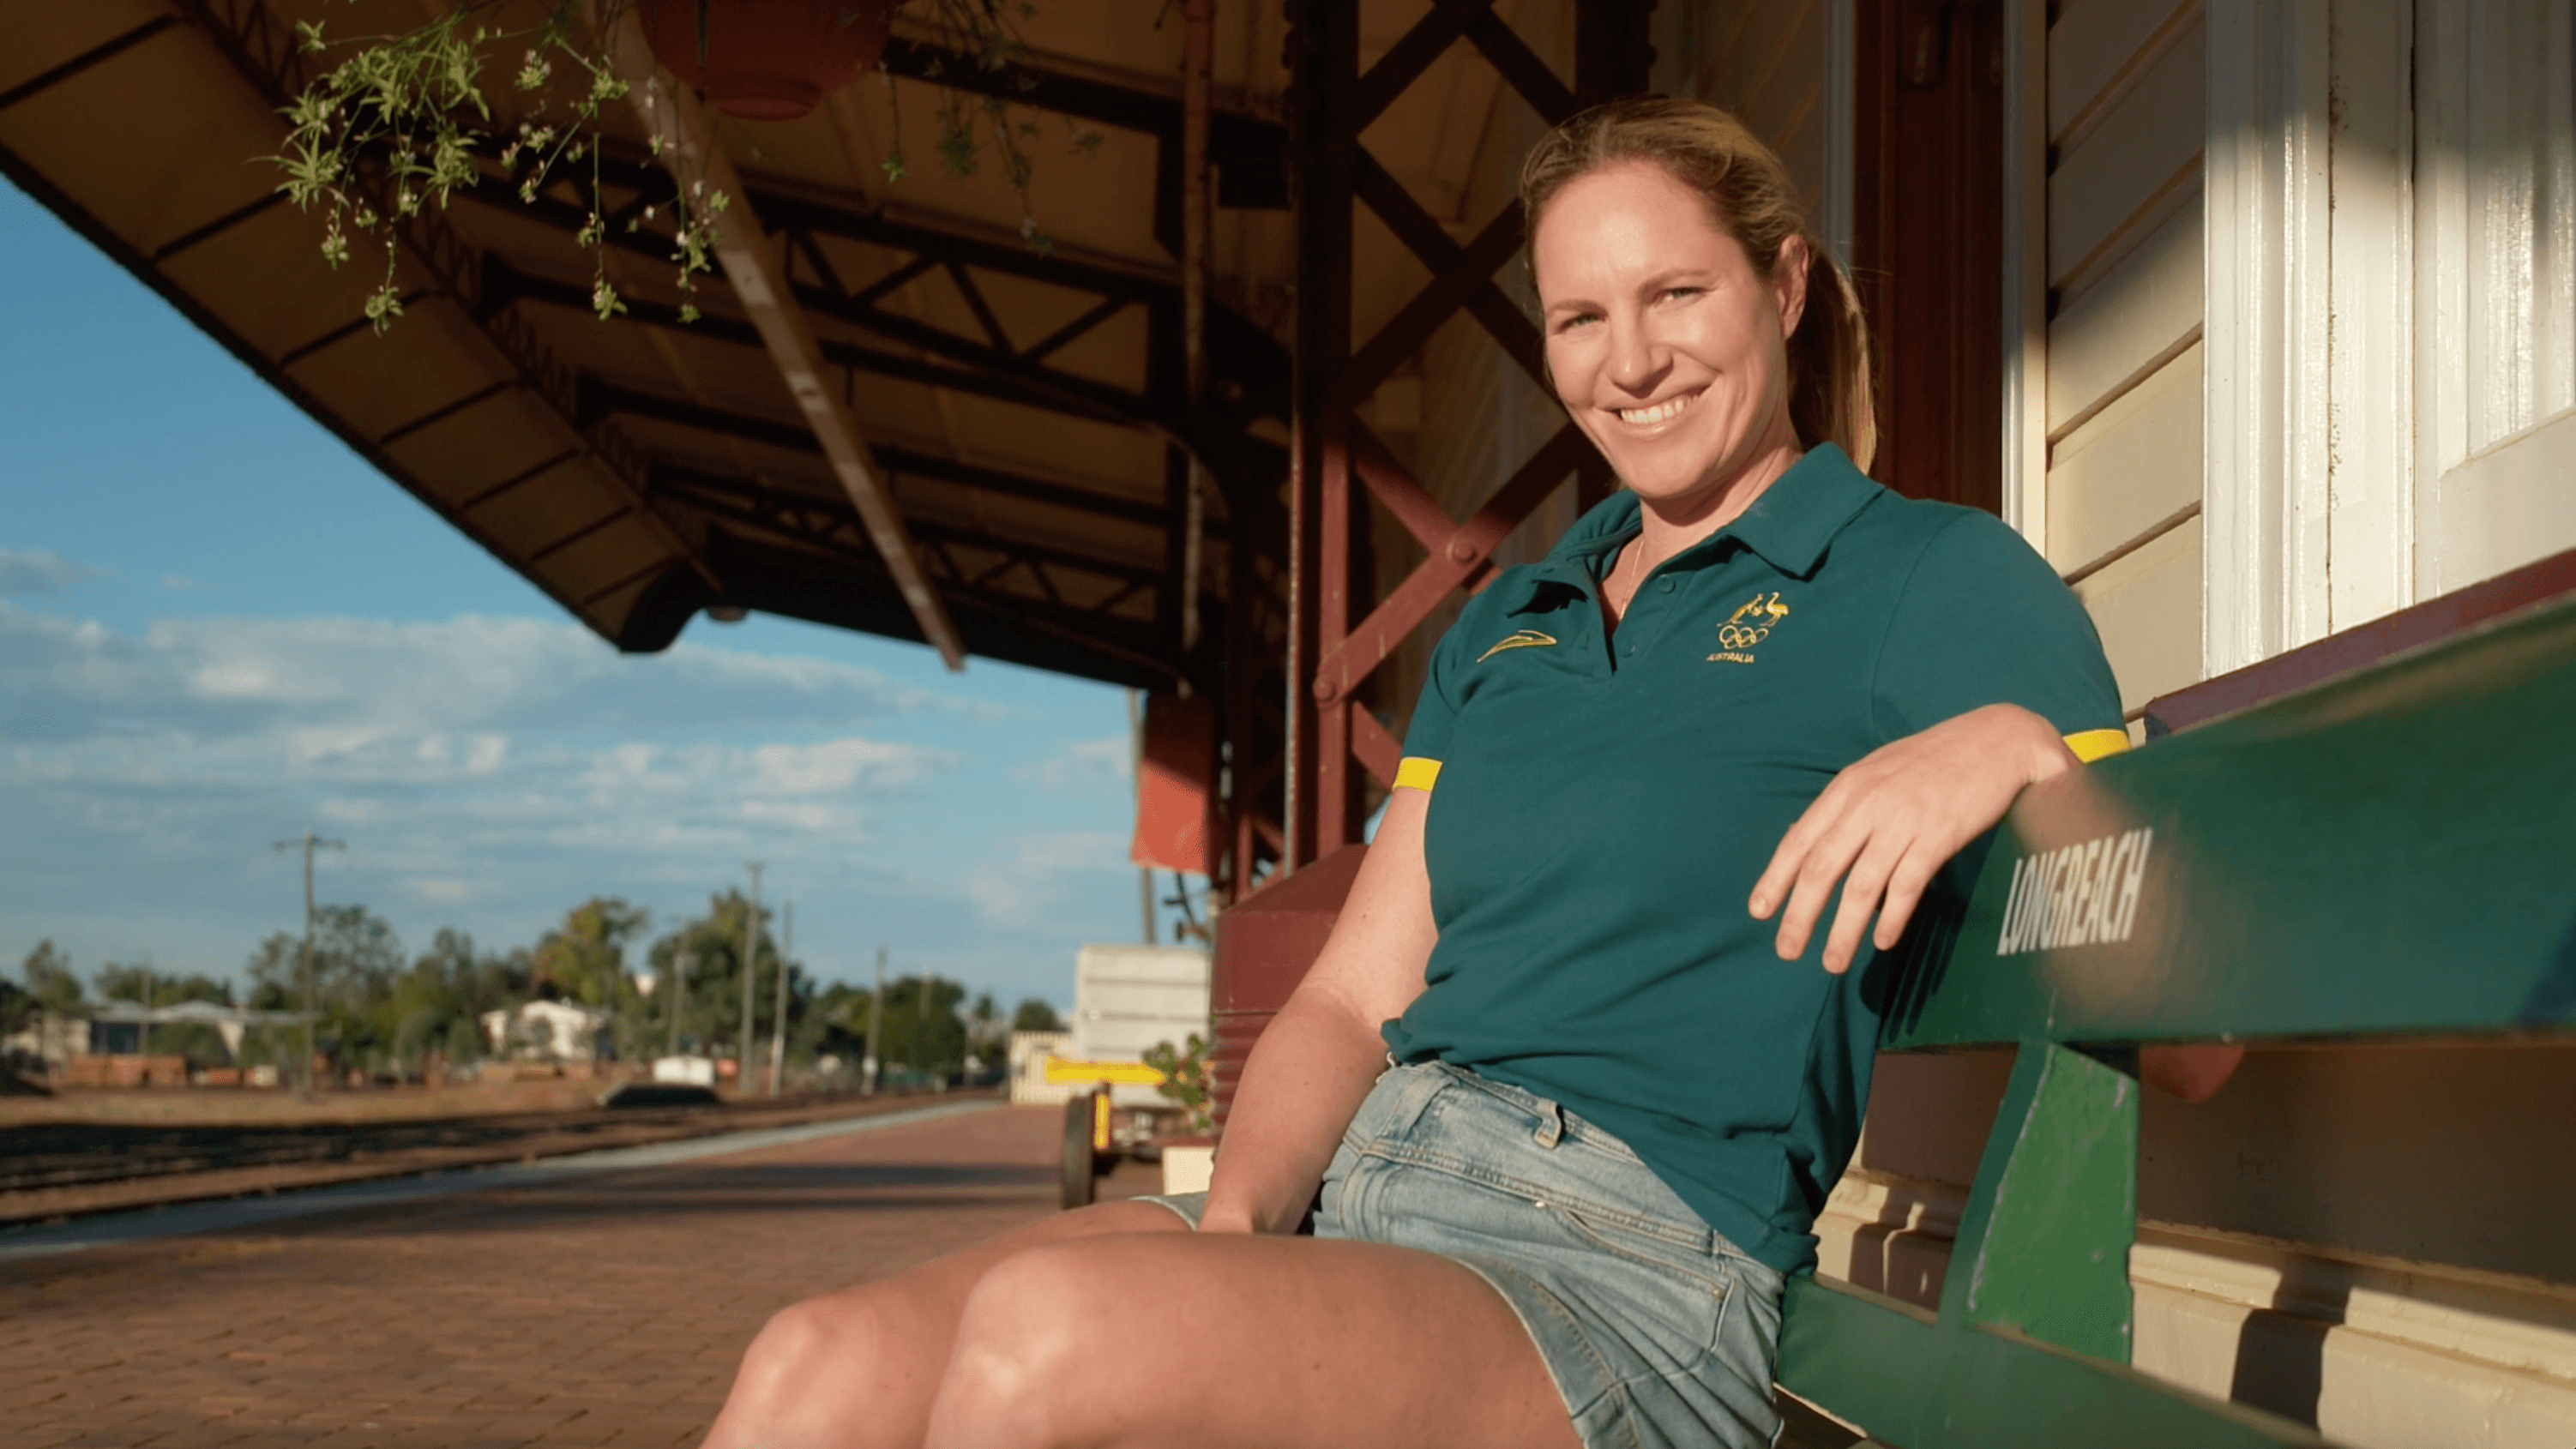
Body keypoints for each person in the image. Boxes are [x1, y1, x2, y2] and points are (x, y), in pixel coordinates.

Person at [701, 95, 2186, 1449]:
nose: (1633, 359)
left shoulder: (1932, 578)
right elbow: (1354, 994)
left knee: (1049, 1341)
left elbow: (2190, 1031)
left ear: (1785, 287)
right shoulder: (1512, 617)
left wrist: (2024, 752)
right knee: (811, 1362)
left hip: (1621, 1271)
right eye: (1580, 316)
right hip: (1364, 1186)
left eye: (1679, 293)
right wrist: (1231, 1249)